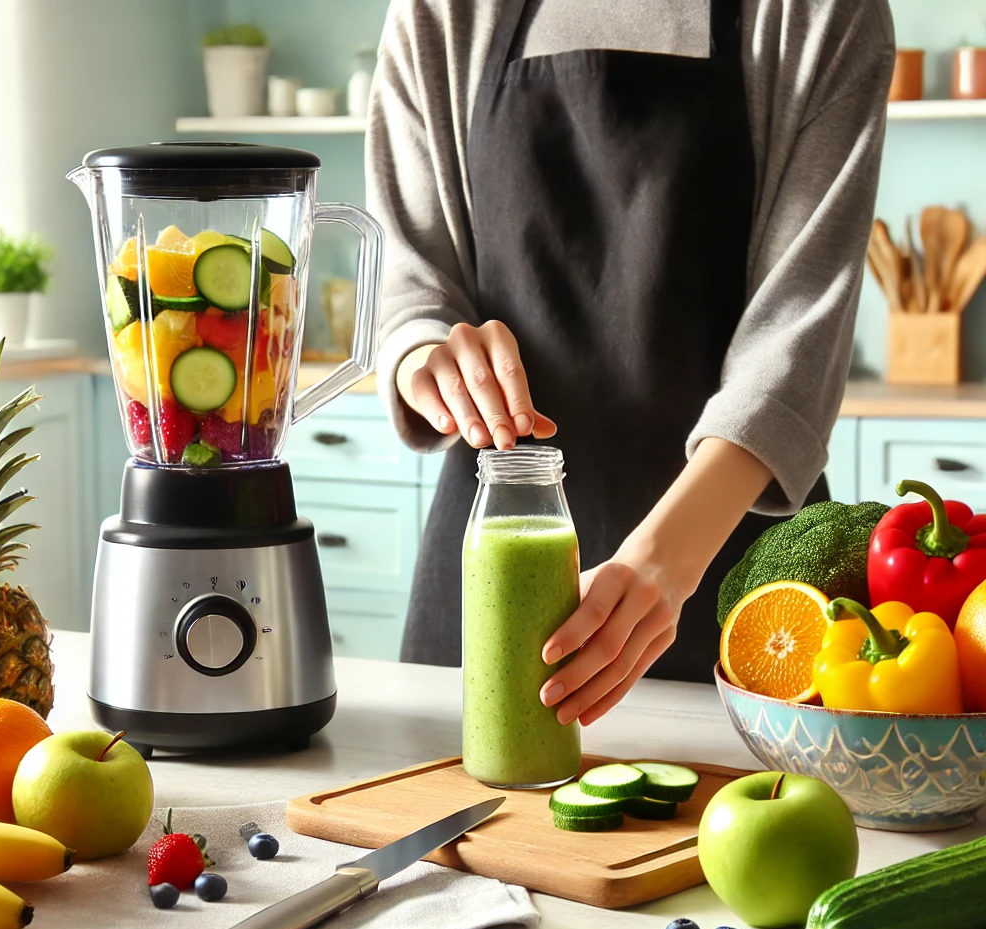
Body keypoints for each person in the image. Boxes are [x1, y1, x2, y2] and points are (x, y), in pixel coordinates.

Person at [365, 0, 895, 727]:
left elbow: (798, 332)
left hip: (744, 585)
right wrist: (427, 353)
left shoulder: (821, 13)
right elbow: (410, 271)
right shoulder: (446, 10)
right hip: (490, 545)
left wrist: (662, 565)